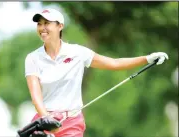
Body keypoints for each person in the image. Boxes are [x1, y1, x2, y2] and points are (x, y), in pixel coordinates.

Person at [25, 8, 168, 137]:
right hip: (43, 121)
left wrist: (146, 59)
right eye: (39, 24)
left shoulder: (77, 52)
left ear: (60, 26)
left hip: (71, 122)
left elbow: (114, 63)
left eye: (47, 23)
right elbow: (35, 96)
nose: (42, 28)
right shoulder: (33, 58)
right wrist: (46, 119)